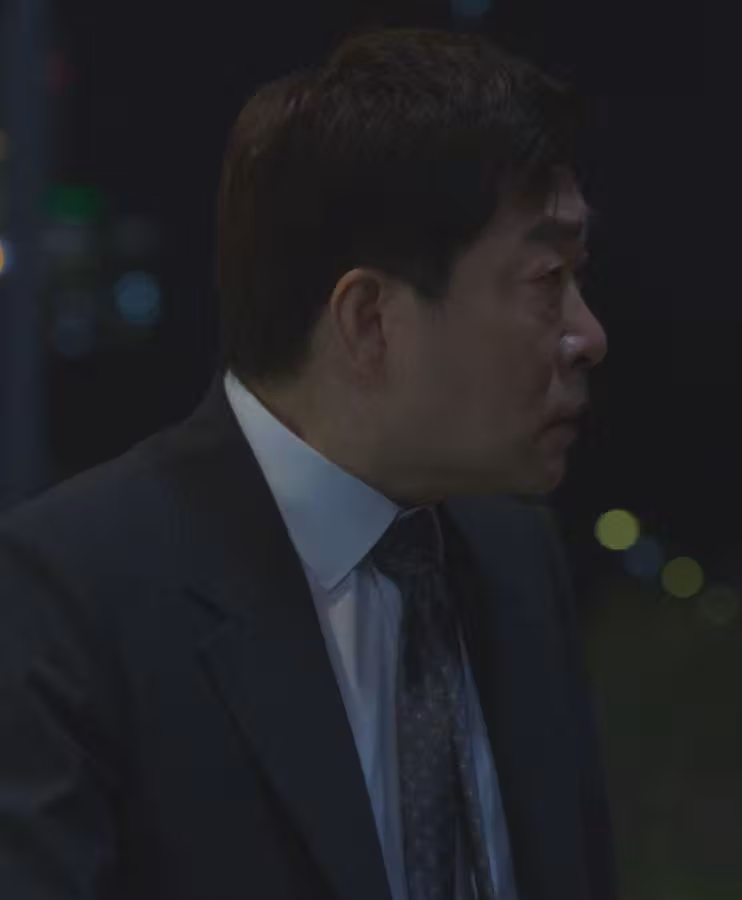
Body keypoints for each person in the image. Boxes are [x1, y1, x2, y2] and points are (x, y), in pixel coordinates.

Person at [0, 29, 614, 900]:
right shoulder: (63, 600)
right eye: (547, 279)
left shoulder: (515, 558)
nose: (588, 335)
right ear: (369, 321)